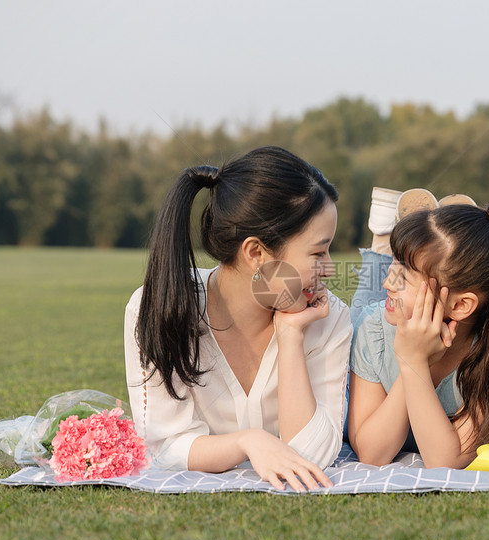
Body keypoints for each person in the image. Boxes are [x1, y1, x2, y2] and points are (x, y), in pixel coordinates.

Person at [124, 146, 352, 492]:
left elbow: (314, 454)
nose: (331, 268)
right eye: (319, 252)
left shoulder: (328, 317)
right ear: (257, 253)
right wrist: (249, 442)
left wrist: (290, 335)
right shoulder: (158, 307)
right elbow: (165, 446)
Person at [346, 188, 489, 469]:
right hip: (384, 318)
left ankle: (393, 244)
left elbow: (446, 460)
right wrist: (409, 358)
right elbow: (372, 455)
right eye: (395, 268)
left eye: (405, 277)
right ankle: (384, 243)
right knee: (363, 304)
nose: (389, 282)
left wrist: (413, 362)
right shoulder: (373, 328)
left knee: (379, 295)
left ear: (460, 306)